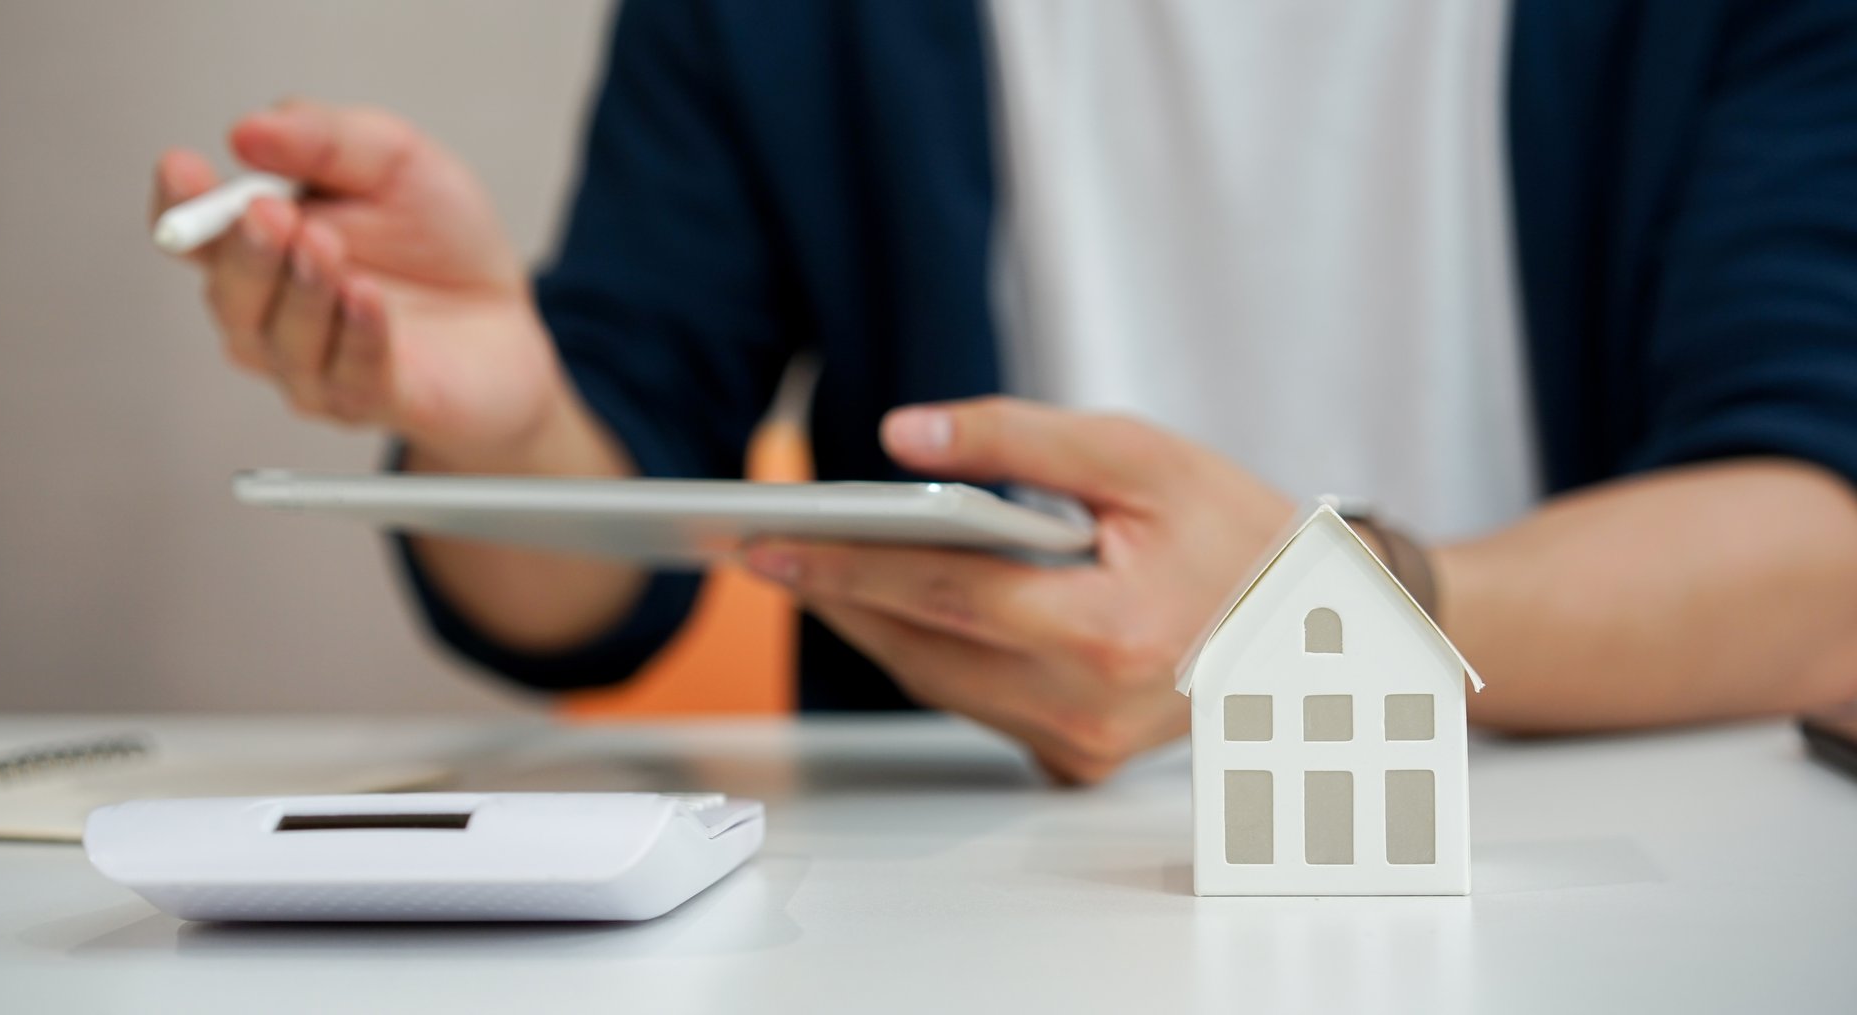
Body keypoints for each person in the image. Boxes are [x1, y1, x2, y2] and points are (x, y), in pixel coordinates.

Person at [151, 0, 1857, 784]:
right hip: (963, 894)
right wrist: (499, 422)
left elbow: (1814, 547)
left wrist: (1315, 624)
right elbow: (574, 599)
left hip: (1605, 869)